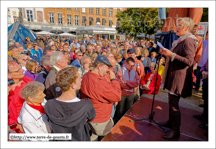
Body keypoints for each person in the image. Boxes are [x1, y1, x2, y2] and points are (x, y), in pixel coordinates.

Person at [158, 17, 198, 139]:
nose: (176, 27)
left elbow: (189, 61)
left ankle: (176, 131)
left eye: (179, 25)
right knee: (171, 103)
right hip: (174, 76)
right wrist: (167, 54)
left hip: (179, 78)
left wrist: (172, 55)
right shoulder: (181, 40)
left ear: (187, 28)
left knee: (174, 105)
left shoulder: (189, 41)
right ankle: (171, 123)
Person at [45, 67, 96, 141]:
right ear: (73, 85)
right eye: (79, 78)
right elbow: (91, 117)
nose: (81, 79)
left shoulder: (49, 105)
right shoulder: (86, 105)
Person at [79, 55, 121, 141]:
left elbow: (83, 95)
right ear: (99, 66)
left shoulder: (86, 76)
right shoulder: (98, 83)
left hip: (91, 117)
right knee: (105, 138)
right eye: (106, 68)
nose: (108, 71)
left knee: (91, 137)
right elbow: (117, 96)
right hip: (101, 120)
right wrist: (113, 79)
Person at [8, 60, 33, 133]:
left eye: (20, 68)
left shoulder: (28, 81)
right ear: (8, 75)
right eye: (17, 70)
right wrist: (17, 125)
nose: (22, 70)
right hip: (17, 127)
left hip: (33, 121)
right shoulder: (7, 89)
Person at [115, 57, 140, 122]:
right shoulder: (121, 71)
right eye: (131, 65)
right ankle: (118, 121)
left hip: (131, 94)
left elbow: (137, 83)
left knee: (129, 110)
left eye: (133, 65)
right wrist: (131, 85)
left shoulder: (134, 72)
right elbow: (120, 83)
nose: (132, 67)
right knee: (120, 110)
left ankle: (125, 121)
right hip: (122, 94)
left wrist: (127, 82)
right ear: (126, 63)